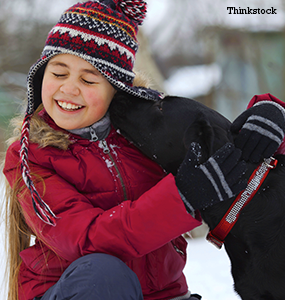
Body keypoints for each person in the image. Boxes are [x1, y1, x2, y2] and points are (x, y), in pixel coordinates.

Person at [3, 1, 285, 300]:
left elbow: (214, 138)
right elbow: (84, 241)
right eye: (58, 74)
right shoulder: (30, 156)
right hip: (84, 291)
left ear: (116, 89)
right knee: (104, 273)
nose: (69, 88)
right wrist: (184, 196)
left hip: (164, 294)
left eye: (88, 79)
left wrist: (272, 117)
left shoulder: (143, 133)